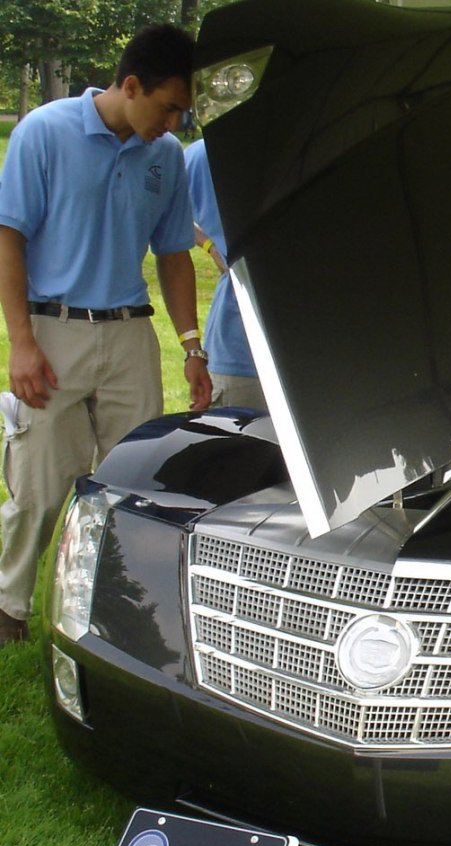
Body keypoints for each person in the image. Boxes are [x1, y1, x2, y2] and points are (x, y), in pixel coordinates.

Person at [0, 24, 211, 646]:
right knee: (42, 485)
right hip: (52, 331)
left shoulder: (164, 157)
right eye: (168, 107)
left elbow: (173, 255)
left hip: (129, 335)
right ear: (131, 85)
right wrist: (21, 341)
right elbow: (8, 236)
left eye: (182, 113)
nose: (173, 124)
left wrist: (192, 347)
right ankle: (9, 607)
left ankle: (115, 614)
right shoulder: (44, 131)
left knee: (136, 484)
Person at [184, 138, 266, 410]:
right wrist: (210, 245)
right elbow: (164, 214)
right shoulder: (205, 154)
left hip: (315, 355)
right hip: (239, 349)